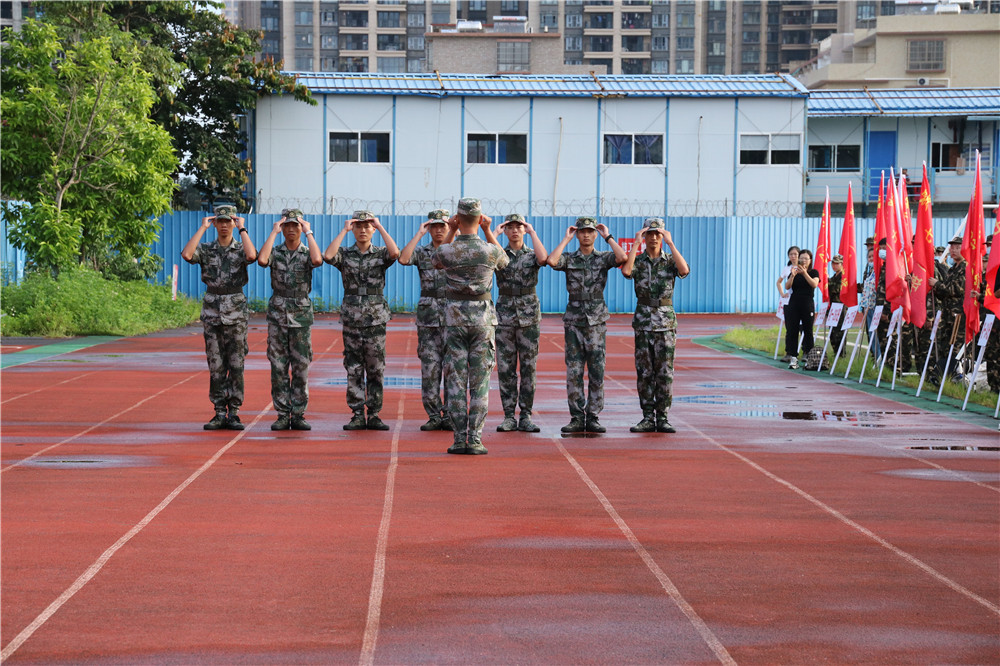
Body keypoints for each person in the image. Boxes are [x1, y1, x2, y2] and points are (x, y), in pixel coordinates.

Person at [432, 198, 509, 455]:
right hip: (482, 321)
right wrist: (488, 229)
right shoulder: (489, 251)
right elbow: (506, 262)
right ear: (479, 217)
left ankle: (458, 438)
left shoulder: (448, 251)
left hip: (454, 320)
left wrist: (452, 230)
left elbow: (436, 259)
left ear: (457, 218)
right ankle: (474, 439)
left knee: (455, 381)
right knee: (480, 382)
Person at [547, 216, 627, 433]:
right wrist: (565, 239)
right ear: (577, 234)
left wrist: (607, 236)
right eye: (582, 231)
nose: (586, 235)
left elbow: (622, 258)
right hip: (574, 321)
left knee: (596, 370)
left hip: (596, 321)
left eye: (590, 231)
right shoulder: (569, 258)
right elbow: (552, 261)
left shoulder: (602, 258)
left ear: (594, 234)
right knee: (573, 370)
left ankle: (592, 416)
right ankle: (576, 417)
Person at [181, 205, 257, 430]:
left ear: (233, 223)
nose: (224, 225)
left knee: (236, 363)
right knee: (215, 364)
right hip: (213, 310)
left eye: (228, 221)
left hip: (235, 311)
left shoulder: (240, 248)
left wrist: (243, 229)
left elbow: (252, 256)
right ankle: (218, 412)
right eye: (220, 221)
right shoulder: (206, 248)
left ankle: (234, 412)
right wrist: (202, 228)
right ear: (215, 223)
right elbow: (187, 254)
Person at [324, 210, 400, 431]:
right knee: (354, 367)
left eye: (368, 226)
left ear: (373, 230)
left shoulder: (380, 253)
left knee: (376, 368)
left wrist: (381, 226)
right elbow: (328, 256)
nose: (363, 230)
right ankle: (357, 413)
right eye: (359, 226)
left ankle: (374, 413)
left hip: (375, 318)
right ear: (353, 229)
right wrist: (343, 230)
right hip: (352, 318)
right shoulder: (346, 254)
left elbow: (395, 254)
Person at [621, 218, 689, 434]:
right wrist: (635, 242)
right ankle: (647, 417)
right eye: (649, 234)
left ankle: (663, 417)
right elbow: (626, 271)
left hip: (665, 323)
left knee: (665, 372)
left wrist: (671, 243)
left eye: (657, 234)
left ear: (662, 236)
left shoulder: (670, 260)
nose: (653, 238)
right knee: (645, 372)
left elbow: (684, 270)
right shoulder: (639, 261)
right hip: (643, 322)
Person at [257, 208, 323, 431]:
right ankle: (282, 414)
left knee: (301, 366)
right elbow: (262, 259)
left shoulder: (306, 251)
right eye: (288, 225)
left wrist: (309, 233)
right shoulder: (275, 251)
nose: (292, 229)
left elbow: (317, 259)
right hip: (278, 314)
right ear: (282, 227)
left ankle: (298, 413)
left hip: (301, 316)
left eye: (296, 225)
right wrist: (273, 233)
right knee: (278, 367)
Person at [399, 209, 454, 432]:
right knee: (430, 369)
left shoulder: (457, 251)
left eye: (443, 226)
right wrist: (419, 234)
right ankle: (433, 415)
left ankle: (451, 415)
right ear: (429, 228)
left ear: (449, 227)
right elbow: (403, 258)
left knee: (453, 368)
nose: (439, 230)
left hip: (453, 316)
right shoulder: (422, 252)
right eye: (435, 226)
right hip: (429, 317)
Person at [494, 214, 549, 433]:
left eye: (519, 227)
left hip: (529, 316)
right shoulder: (499, 252)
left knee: (528, 368)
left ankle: (525, 415)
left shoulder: (531, 253)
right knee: (506, 368)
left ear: (524, 230)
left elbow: (544, 259)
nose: (515, 231)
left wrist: (533, 232)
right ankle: (509, 416)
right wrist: (494, 234)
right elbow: (490, 254)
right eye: (510, 227)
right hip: (505, 315)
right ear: (505, 231)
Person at [928, 237, 966, 378]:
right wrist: (937, 289)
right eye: (951, 247)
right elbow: (944, 293)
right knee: (944, 345)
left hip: (958, 316)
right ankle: (945, 376)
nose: (952, 250)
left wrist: (937, 284)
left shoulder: (965, 268)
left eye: (956, 247)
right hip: (947, 314)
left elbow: (955, 289)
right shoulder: (952, 269)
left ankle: (956, 376)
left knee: (955, 347)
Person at [783, 248, 819, 369]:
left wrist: (805, 273)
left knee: (808, 330)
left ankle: (809, 356)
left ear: (810, 260)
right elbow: (787, 286)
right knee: (793, 330)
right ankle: (793, 358)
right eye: (801, 258)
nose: (803, 260)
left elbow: (814, 284)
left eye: (806, 258)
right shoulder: (794, 271)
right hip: (794, 303)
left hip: (807, 303)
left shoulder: (814, 272)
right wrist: (792, 276)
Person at [827, 254, 845, 355]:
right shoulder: (834, 277)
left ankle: (841, 354)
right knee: (832, 332)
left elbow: (837, 289)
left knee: (839, 332)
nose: (834, 265)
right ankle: (836, 352)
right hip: (833, 307)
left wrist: (828, 283)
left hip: (840, 307)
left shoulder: (843, 277)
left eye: (837, 263)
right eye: (833, 263)